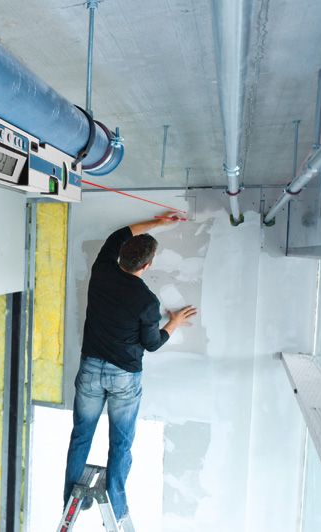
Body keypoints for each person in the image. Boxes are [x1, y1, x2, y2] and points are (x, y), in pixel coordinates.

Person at [63, 212, 197, 527]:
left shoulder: (102, 267)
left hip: (91, 369)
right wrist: (174, 322)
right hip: (123, 377)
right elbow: (151, 344)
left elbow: (121, 232)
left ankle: (70, 498)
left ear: (122, 254)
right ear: (147, 266)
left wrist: (156, 222)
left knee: (81, 434)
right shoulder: (146, 301)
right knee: (120, 441)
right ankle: (116, 499)